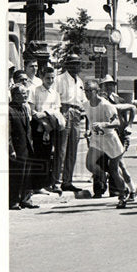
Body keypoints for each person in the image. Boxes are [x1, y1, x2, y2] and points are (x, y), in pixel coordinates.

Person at [83, 80, 134, 208]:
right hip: (97, 140)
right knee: (90, 165)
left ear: (97, 91)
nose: (87, 93)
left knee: (114, 169)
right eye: (86, 91)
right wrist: (88, 130)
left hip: (110, 140)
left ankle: (123, 195)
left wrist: (104, 124)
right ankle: (103, 175)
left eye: (90, 91)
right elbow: (89, 119)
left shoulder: (106, 105)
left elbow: (117, 123)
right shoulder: (86, 104)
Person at [28, 65, 64, 193]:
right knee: (38, 155)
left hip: (51, 126)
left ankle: (45, 183)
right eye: (47, 78)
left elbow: (56, 111)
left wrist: (46, 116)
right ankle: (36, 186)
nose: (50, 81)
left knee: (49, 155)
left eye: (52, 78)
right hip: (38, 126)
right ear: (42, 78)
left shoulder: (55, 93)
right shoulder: (34, 90)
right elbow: (32, 111)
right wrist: (43, 121)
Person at [54, 54, 87, 193]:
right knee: (61, 149)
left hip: (76, 113)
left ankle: (68, 181)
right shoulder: (59, 79)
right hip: (64, 110)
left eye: (77, 64)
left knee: (73, 150)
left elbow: (82, 100)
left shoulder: (79, 81)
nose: (76, 66)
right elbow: (55, 98)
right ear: (67, 65)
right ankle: (57, 181)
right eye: (72, 63)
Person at [9, 85, 39, 210]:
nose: (25, 95)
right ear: (15, 95)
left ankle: (26, 199)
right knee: (16, 176)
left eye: (26, 93)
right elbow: (8, 133)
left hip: (26, 147)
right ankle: (13, 201)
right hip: (17, 148)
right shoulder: (9, 110)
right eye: (23, 93)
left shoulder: (25, 108)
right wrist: (11, 150)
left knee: (27, 174)